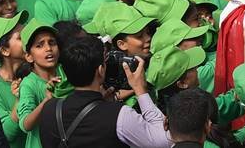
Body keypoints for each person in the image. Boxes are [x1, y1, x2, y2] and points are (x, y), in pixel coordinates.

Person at [38, 34, 171, 148]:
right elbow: (164, 141)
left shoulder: (49, 109)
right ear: (101, 70)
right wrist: (140, 90)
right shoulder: (120, 115)